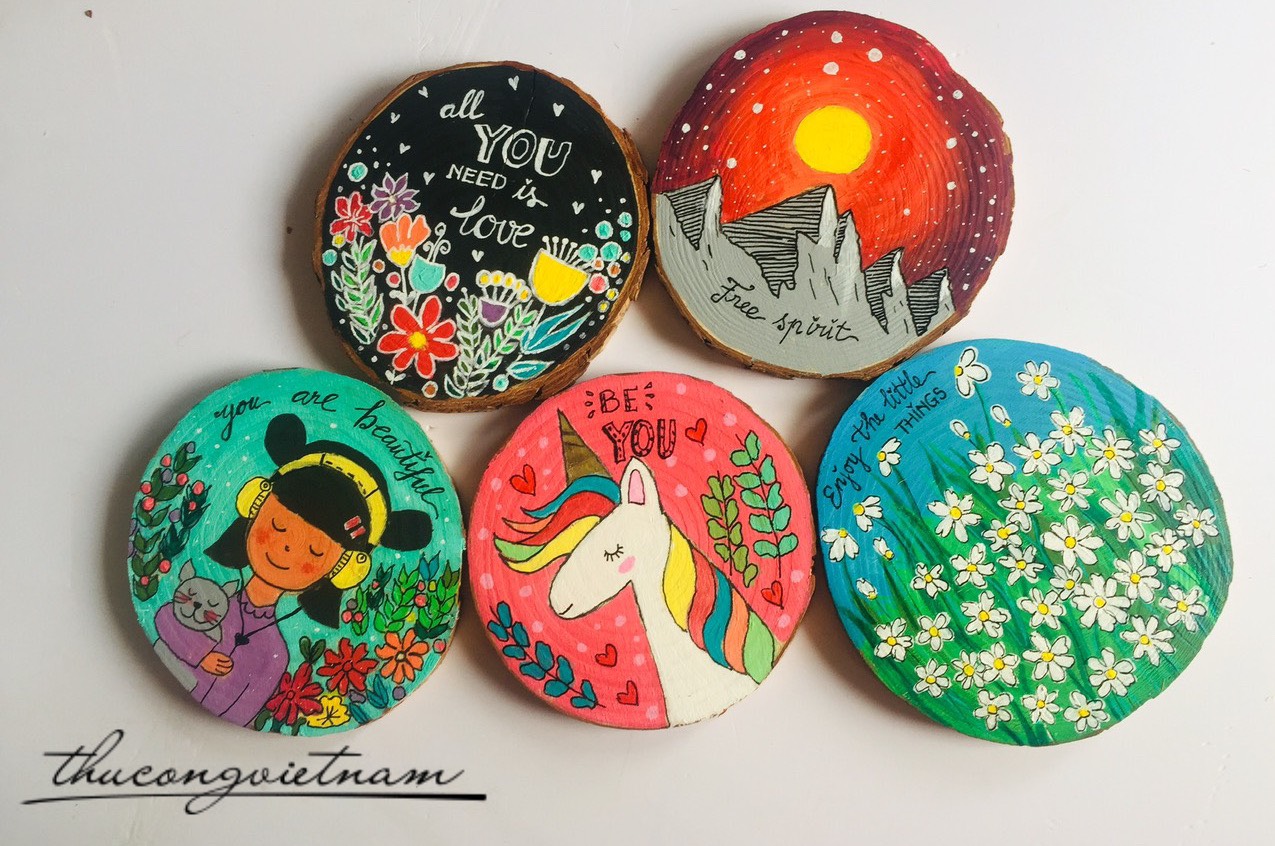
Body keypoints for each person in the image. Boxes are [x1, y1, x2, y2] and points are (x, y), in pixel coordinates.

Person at [153, 413, 432, 726]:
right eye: (277, 525)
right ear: (255, 506)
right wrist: (199, 654)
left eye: (315, 551)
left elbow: (246, 715)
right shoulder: (209, 596)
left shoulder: (274, 656)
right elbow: (164, 618)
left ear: (342, 569)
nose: (287, 548)